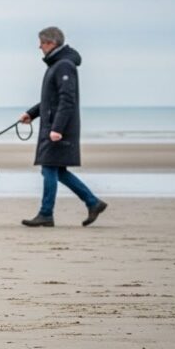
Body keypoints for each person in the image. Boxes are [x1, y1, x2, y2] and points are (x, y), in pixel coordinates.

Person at [19, 26, 107, 227]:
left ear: (51, 43)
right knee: (56, 171)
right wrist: (31, 114)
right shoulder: (57, 65)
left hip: (59, 129)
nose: (39, 47)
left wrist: (57, 129)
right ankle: (93, 202)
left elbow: (67, 100)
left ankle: (46, 214)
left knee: (49, 168)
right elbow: (52, 100)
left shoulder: (64, 65)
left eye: (41, 43)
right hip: (53, 126)